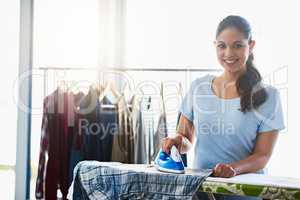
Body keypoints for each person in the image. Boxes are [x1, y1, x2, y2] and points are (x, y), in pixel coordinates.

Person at [161, 15, 285, 200]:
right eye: (222, 46)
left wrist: (233, 169)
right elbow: (186, 138)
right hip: (201, 191)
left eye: (237, 45)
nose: (228, 53)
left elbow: (262, 156)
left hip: (244, 193)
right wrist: (177, 142)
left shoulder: (269, 96)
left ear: (251, 46)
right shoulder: (198, 88)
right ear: (215, 46)